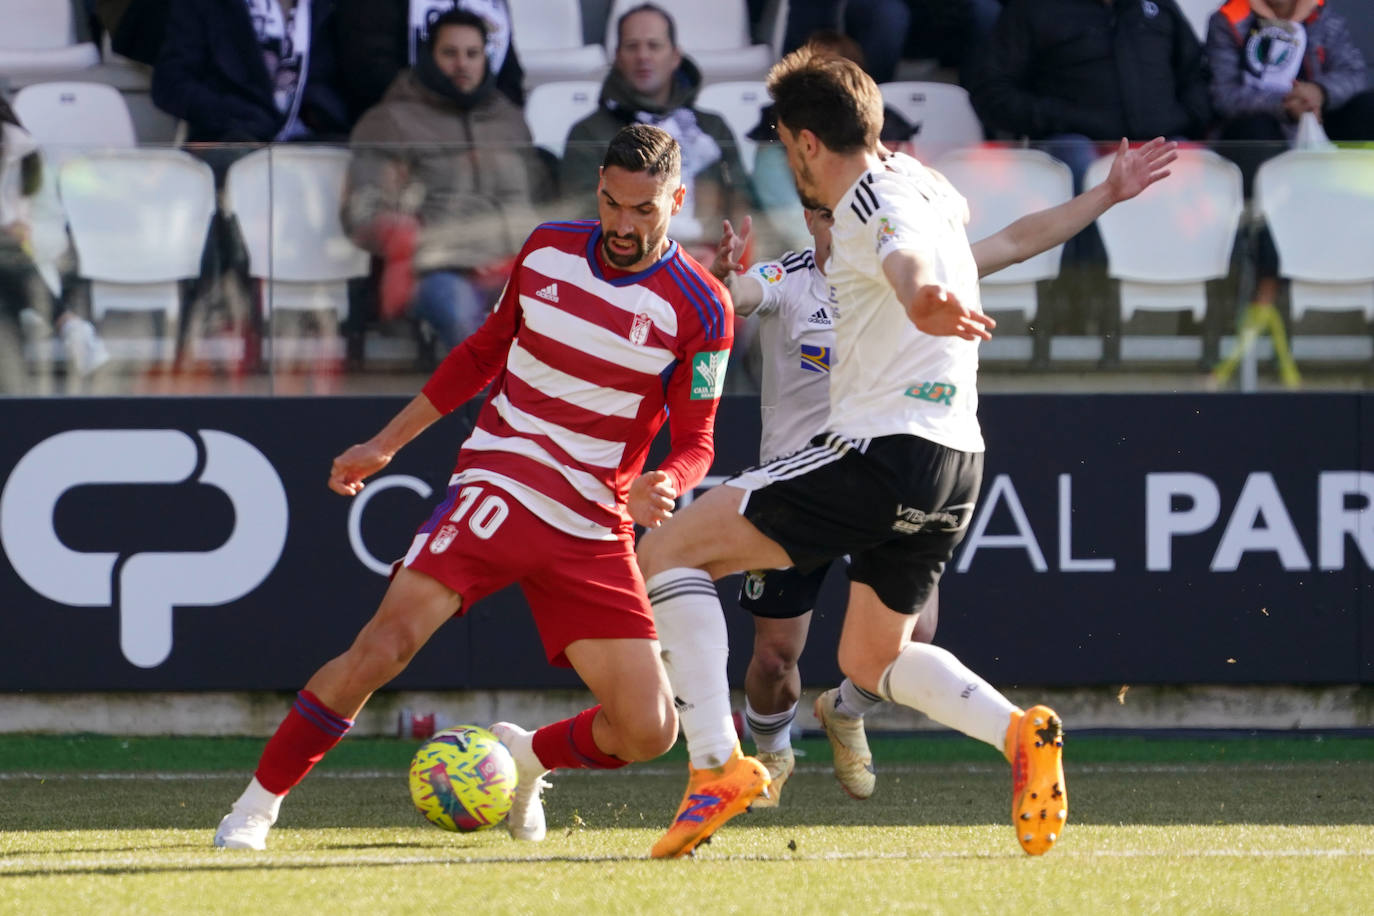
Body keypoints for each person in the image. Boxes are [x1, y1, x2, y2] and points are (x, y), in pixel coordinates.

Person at [212, 123, 734, 850]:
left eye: (643, 210)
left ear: (677, 200)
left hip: (592, 521)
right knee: (384, 645)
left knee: (648, 730)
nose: (623, 223)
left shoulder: (702, 307)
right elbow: (484, 353)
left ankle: (522, 756)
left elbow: (699, 441)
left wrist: (668, 482)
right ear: (599, 191)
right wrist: (383, 444)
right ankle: (253, 809)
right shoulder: (549, 248)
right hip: (503, 476)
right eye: (613, 204)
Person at [635, 44, 1071, 861]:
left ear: (805, 142)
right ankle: (1016, 734)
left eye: (781, 140)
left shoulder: (869, 193)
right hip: (956, 460)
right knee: (875, 658)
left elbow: (902, 252)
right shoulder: (927, 183)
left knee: (663, 554)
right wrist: (1102, 198)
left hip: (876, 450)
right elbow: (952, 239)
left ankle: (713, 768)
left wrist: (923, 295)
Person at [710, 135, 1177, 808]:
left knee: (913, 637)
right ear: (812, 217)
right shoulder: (788, 280)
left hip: (878, 468)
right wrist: (719, 281)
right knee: (775, 659)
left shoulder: (921, 265)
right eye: (826, 211)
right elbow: (733, 299)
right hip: (800, 486)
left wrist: (1106, 192)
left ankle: (843, 709)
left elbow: (1016, 241)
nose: (841, 220)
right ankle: (773, 756)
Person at [342, 9, 545, 352]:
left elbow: (541, 204)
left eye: (472, 54)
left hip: (509, 266)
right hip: (436, 272)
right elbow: (363, 211)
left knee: (564, 312)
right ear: (428, 58)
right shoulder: (390, 120)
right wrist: (412, 238)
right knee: (460, 311)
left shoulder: (511, 122)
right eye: (450, 53)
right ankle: (481, 404)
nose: (462, 64)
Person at [1207, 0, 1374, 389]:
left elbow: (1354, 74)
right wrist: (1286, 104)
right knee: (1255, 130)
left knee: (1368, 109)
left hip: (1318, 135)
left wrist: (1318, 92)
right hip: (1261, 145)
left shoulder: (1323, 14)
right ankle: (1264, 286)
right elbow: (1223, 95)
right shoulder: (1229, 20)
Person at [560, 3, 753, 247]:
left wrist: (720, 256)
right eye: (632, 46)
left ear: (675, 56)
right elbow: (584, 220)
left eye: (654, 45)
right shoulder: (587, 133)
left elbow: (741, 203)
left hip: (711, 264)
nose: (643, 56)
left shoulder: (712, 128)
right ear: (618, 57)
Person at [151, 0, 351, 146]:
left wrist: (323, 116)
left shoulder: (324, 7)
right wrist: (234, 116)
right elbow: (169, 84)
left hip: (308, 148)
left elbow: (331, 88)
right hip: (230, 144)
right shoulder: (208, 6)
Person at [334, 0, 526, 118]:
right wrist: (444, 118)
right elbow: (369, 70)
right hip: (404, 134)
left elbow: (509, 76)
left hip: (482, 132)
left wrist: (485, 121)